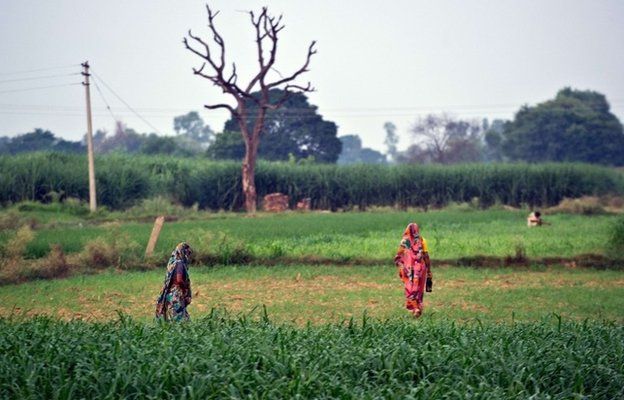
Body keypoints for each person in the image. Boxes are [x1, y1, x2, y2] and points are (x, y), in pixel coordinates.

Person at [394, 223, 432, 318]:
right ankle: (418, 306)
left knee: (410, 288)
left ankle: (415, 309)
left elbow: (398, 257)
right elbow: (426, 256)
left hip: (408, 269)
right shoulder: (422, 240)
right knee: (419, 288)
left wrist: (402, 266)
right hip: (420, 268)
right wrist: (429, 270)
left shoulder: (404, 242)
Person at [155, 242, 193, 321]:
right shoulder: (179, 264)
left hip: (169, 295)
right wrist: (185, 287)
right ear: (182, 252)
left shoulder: (172, 263)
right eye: (187, 253)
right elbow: (179, 280)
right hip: (176, 295)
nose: (188, 256)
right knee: (181, 321)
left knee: (172, 320)